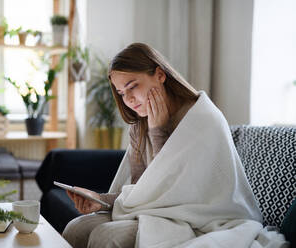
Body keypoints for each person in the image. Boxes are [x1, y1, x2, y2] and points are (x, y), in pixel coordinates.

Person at [62, 43, 285, 248]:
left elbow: (173, 195)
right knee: (76, 228)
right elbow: (142, 193)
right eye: (121, 93)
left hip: (197, 220)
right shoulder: (139, 125)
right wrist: (99, 201)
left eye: (132, 86)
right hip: (153, 212)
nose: (128, 99)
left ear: (160, 74)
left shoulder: (203, 118)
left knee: (106, 237)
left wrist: (158, 132)